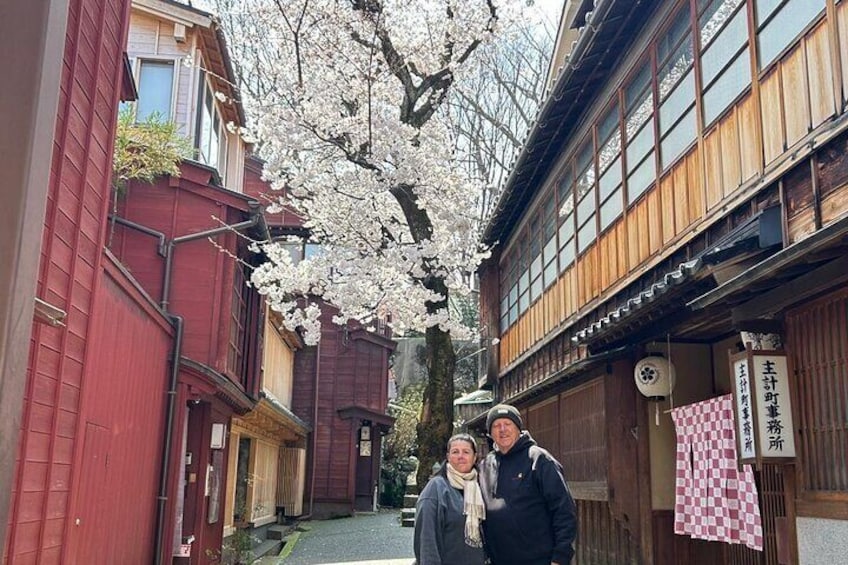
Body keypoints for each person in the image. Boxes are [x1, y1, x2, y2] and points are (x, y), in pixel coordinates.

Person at [479, 404, 577, 565]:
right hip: (498, 559)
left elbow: (564, 509)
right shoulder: (485, 466)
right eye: (496, 425)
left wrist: (561, 556)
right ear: (491, 433)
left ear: (518, 428)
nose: (502, 429)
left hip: (540, 559)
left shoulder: (539, 459)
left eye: (507, 424)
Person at [413, 433, 487, 565]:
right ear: (448, 457)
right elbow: (426, 539)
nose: (460, 457)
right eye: (455, 452)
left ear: (474, 457)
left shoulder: (481, 487)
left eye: (466, 452)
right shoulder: (437, 488)